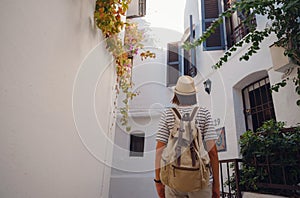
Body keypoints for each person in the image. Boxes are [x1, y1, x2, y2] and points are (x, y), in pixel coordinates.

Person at [154, 75, 220, 198]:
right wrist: (216, 186)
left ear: (176, 95)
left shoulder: (168, 114)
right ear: (194, 94)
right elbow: (213, 152)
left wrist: (158, 181)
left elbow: (159, 151)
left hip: (173, 180)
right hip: (201, 181)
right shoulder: (203, 113)